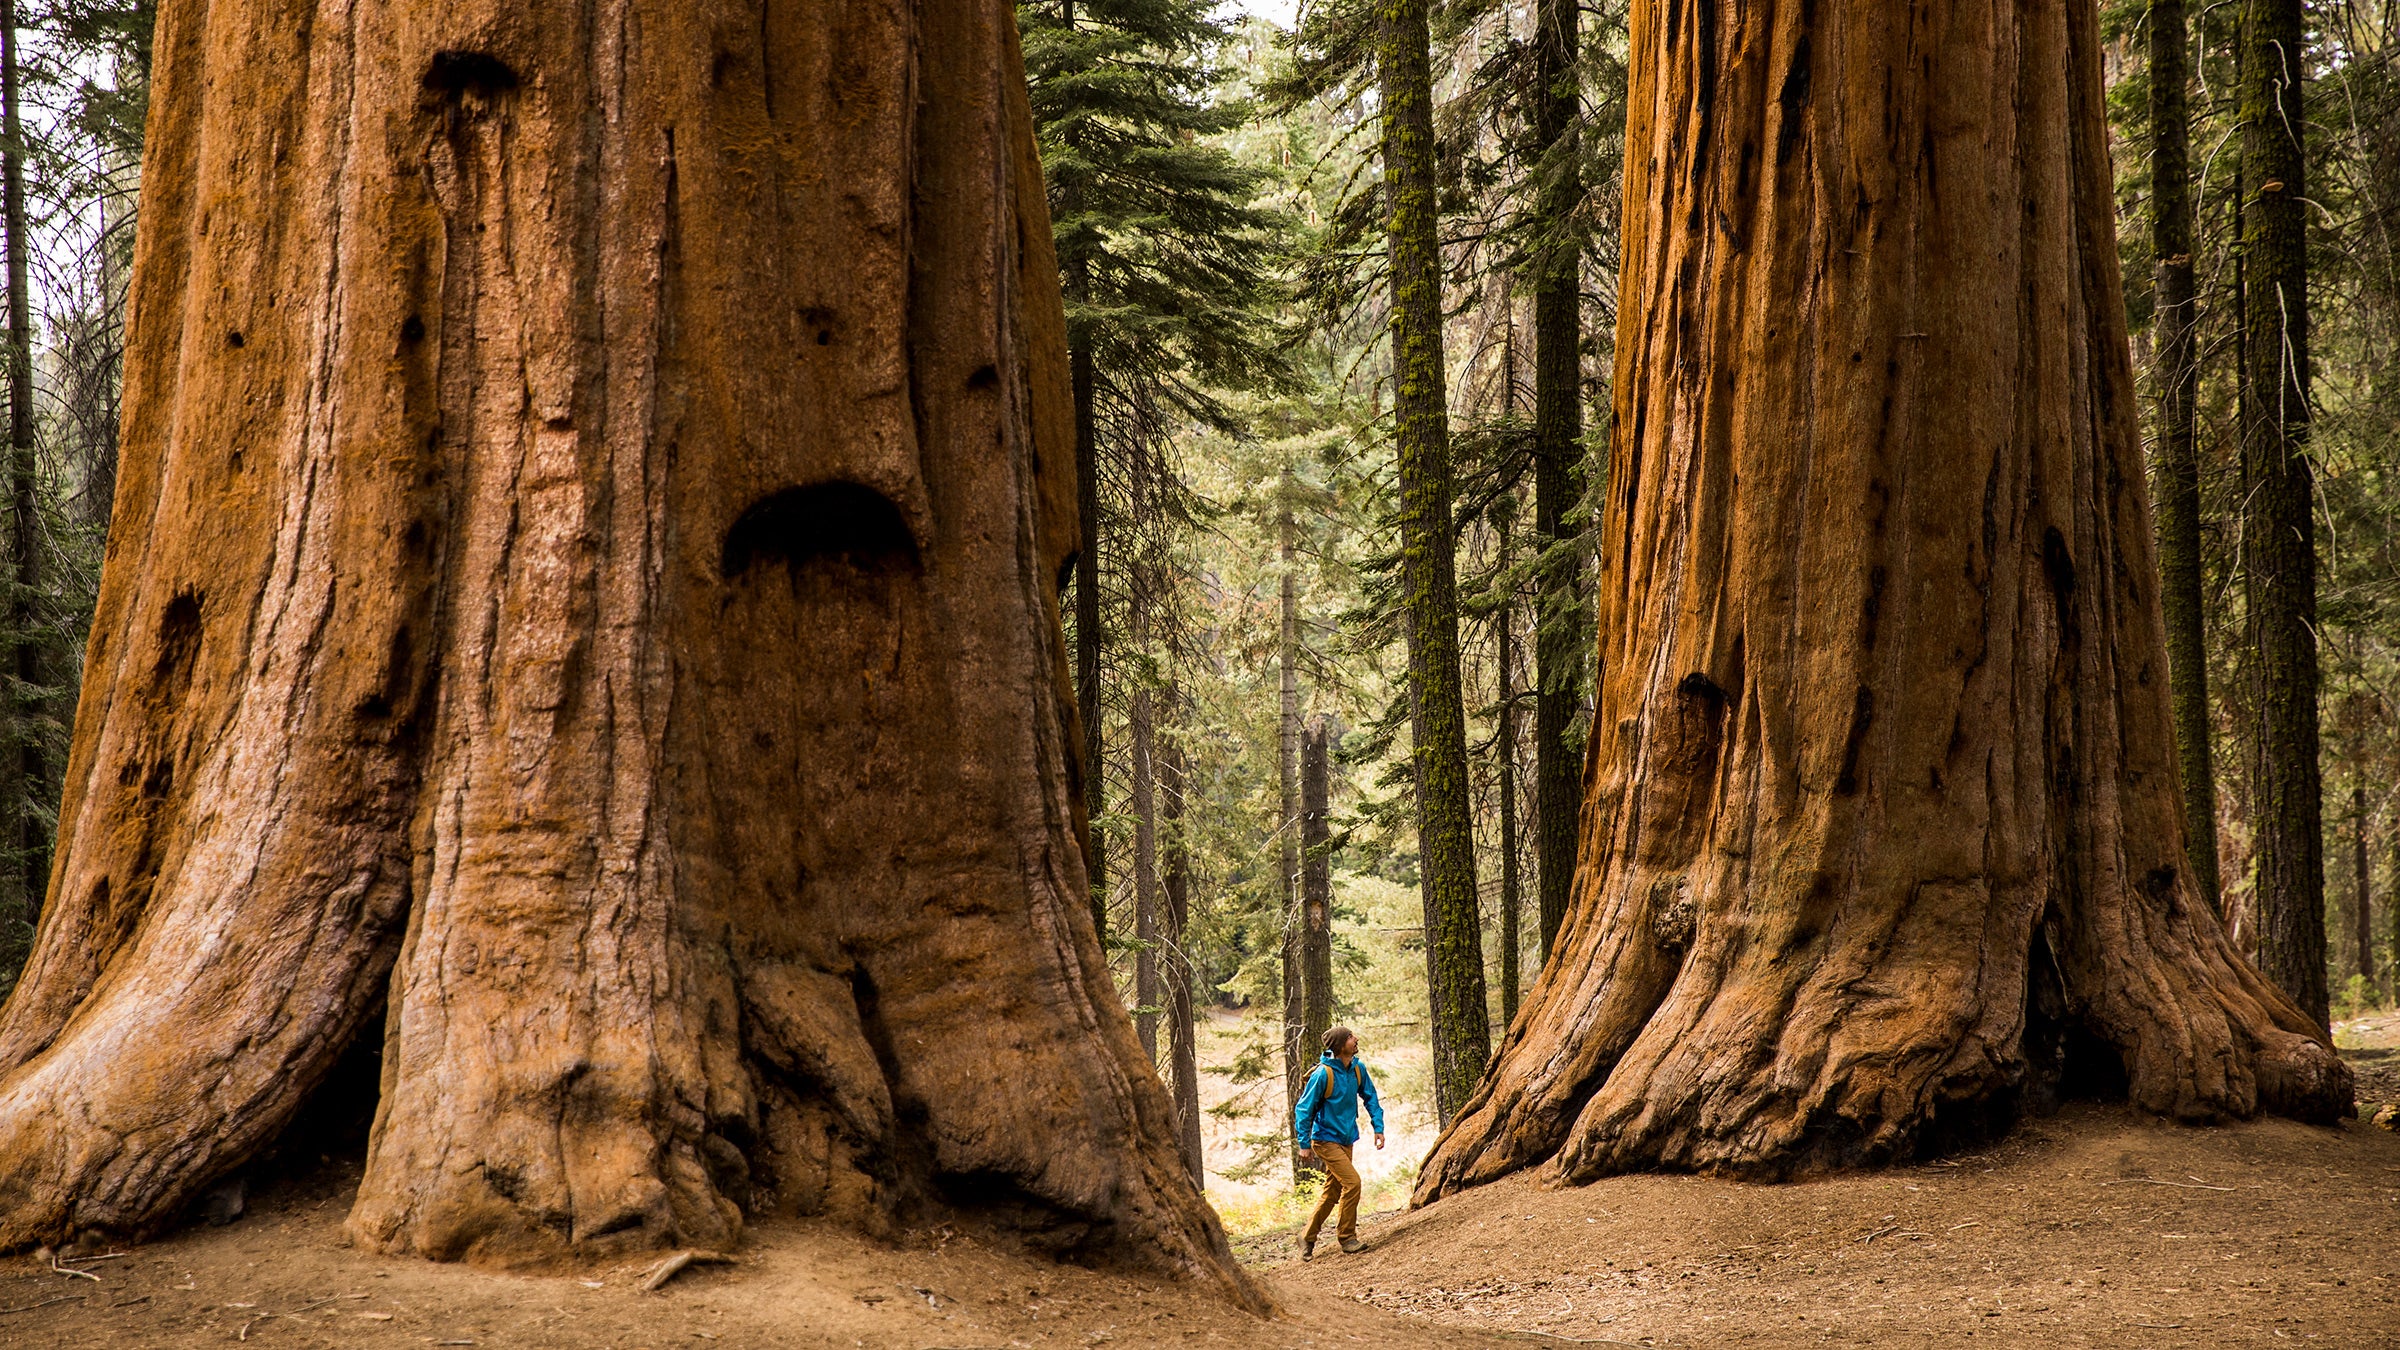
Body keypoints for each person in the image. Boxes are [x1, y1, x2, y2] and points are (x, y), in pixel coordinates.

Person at [1294, 1024, 1385, 1259]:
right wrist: (1304, 1143)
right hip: (1325, 1139)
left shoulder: (1357, 1068)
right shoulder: (1323, 1074)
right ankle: (1347, 1238)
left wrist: (1378, 1127)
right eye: (1350, 1037)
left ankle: (1306, 1236)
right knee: (1353, 1183)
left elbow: (1370, 1096)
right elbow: (1304, 1109)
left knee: (1332, 1192)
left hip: (1346, 1139)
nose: (1355, 1039)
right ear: (1340, 1045)